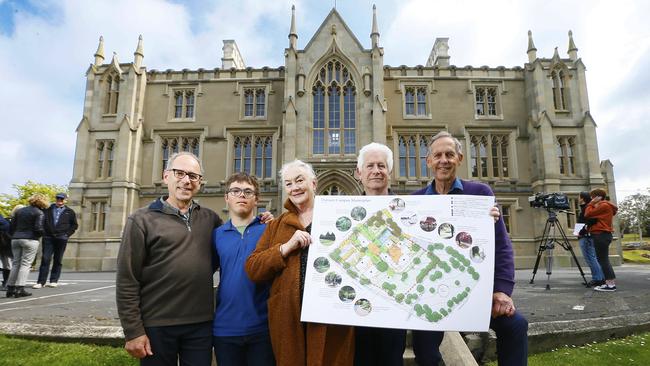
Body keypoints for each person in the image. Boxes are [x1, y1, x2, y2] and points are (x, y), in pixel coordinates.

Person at [412, 131, 528, 366]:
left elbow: (502, 247)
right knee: (424, 344)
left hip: (474, 293)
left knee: (515, 325)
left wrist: (502, 290)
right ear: (429, 161)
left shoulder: (480, 194)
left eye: (449, 154)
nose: (443, 160)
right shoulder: (416, 201)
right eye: (438, 155)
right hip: (432, 294)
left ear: (460, 159)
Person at [116, 152, 223, 365]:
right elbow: (127, 279)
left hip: (200, 324)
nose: (186, 180)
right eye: (180, 173)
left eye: (193, 176)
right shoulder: (141, 220)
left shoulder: (210, 219)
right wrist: (133, 331)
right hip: (156, 324)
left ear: (200, 182)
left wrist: (262, 223)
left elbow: (230, 250)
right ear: (166, 176)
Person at [245, 160, 355, 366]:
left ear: (313, 184)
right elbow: (253, 268)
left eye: (299, 180)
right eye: (288, 184)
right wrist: (285, 248)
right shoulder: (276, 225)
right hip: (288, 318)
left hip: (331, 315)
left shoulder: (338, 218)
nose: (294, 187)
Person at [212, 172, 274, 366]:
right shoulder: (216, 235)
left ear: (256, 199)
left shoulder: (269, 230)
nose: (241, 195)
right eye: (236, 191)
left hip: (262, 328)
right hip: (225, 329)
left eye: (248, 192)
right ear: (226, 197)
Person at [352, 143, 406, 366]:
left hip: (393, 308)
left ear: (389, 172)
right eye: (370, 165)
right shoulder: (344, 213)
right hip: (356, 309)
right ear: (359, 173)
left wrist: (483, 217)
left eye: (382, 166)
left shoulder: (409, 210)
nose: (376, 170)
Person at [33, 192, 78, 289]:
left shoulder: (70, 212)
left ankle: (53, 280)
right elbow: (42, 221)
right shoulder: (47, 210)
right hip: (48, 237)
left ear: (65, 200)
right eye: (58, 199)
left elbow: (74, 225)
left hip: (61, 238)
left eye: (61, 199)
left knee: (58, 259)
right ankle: (41, 281)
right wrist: (44, 233)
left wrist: (66, 235)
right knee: (45, 259)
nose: (59, 201)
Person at [7, 195, 48, 298]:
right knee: (26, 264)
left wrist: (14, 235)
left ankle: (10, 288)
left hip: (16, 238)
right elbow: (38, 228)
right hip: (30, 239)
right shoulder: (39, 213)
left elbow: (12, 226)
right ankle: (20, 288)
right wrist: (42, 235)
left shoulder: (20, 211)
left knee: (16, 263)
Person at [585, 188, 618, 292]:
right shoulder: (605, 206)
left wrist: (591, 203)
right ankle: (609, 283)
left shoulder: (603, 205)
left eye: (592, 197)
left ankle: (610, 285)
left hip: (600, 234)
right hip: (603, 235)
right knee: (603, 259)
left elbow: (587, 214)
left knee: (603, 260)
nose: (591, 198)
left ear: (598, 197)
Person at [577, 191, 604, 287]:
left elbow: (592, 220)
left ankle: (598, 279)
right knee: (592, 258)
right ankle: (598, 278)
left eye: (579, 197)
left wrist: (581, 232)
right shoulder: (586, 207)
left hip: (586, 236)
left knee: (591, 258)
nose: (578, 199)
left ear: (582, 198)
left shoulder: (588, 207)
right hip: (586, 235)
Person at [0, 214, 11, 291]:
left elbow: (5, 226)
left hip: (4, 244)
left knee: (6, 264)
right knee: (7, 264)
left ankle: (6, 282)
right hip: (5, 244)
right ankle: (7, 282)